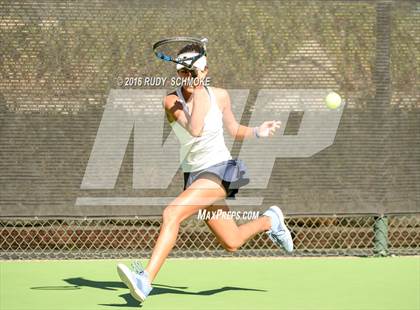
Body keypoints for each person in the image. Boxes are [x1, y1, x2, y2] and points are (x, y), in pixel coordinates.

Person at [117, 43, 293, 303]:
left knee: (171, 213)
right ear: (179, 74)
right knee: (232, 241)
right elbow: (194, 128)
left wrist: (257, 130)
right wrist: (197, 91)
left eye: (193, 72)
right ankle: (271, 221)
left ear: (204, 70)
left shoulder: (219, 95)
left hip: (220, 170)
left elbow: (232, 129)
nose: (188, 78)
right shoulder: (171, 100)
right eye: (184, 73)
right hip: (194, 176)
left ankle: (145, 280)